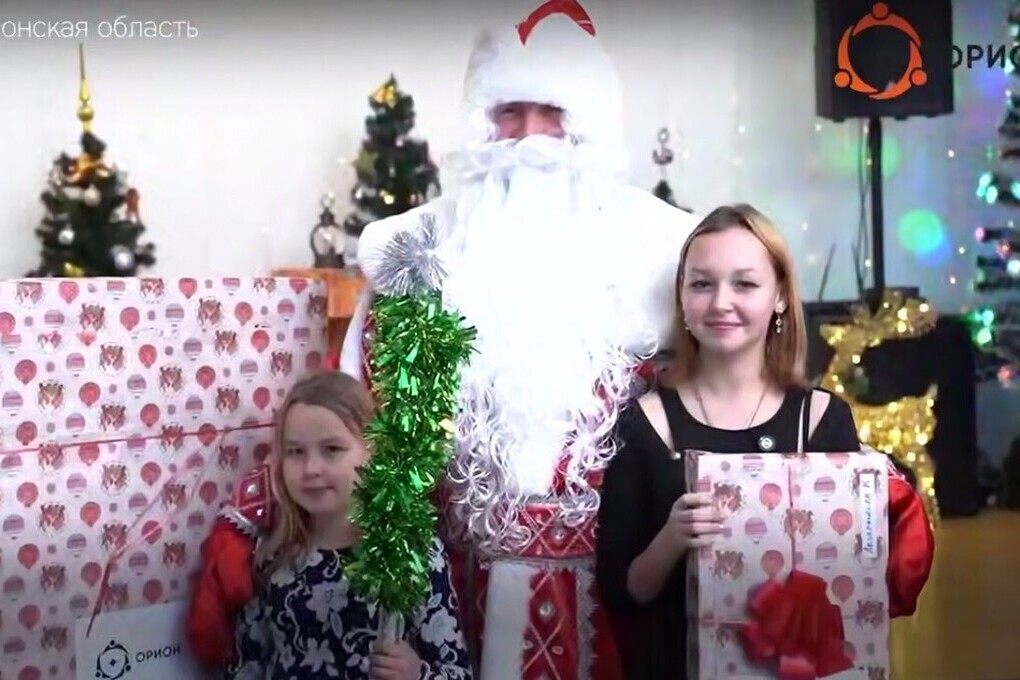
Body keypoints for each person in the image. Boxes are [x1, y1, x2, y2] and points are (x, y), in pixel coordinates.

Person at [185, 1, 699, 678]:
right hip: (449, 597)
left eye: (552, 113)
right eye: (508, 113)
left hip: (616, 603)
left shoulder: (660, 260)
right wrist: (251, 518)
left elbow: (719, 402)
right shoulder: (419, 259)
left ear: (591, 128)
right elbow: (348, 416)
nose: (529, 138)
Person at [594, 204, 936, 679]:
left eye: (745, 284)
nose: (721, 302)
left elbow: (856, 584)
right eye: (701, 284)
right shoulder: (644, 422)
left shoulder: (821, 419)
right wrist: (673, 537)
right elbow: (621, 592)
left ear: (779, 297)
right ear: (682, 298)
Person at [225, 371, 472, 680]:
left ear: (372, 451)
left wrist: (417, 674)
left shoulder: (412, 554)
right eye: (296, 452)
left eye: (332, 449)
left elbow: (458, 672)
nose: (311, 468)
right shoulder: (273, 554)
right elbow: (246, 665)